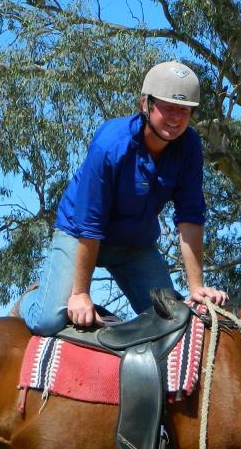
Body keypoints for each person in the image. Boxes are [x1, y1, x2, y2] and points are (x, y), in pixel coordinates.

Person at [23, 61, 229, 335]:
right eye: (168, 107)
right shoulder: (110, 144)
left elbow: (190, 216)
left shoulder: (189, 147)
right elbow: (90, 223)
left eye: (184, 110)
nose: (176, 118)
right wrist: (80, 294)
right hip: (79, 234)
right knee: (46, 321)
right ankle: (35, 297)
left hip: (133, 244)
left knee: (174, 321)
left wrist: (197, 288)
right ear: (145, 104)